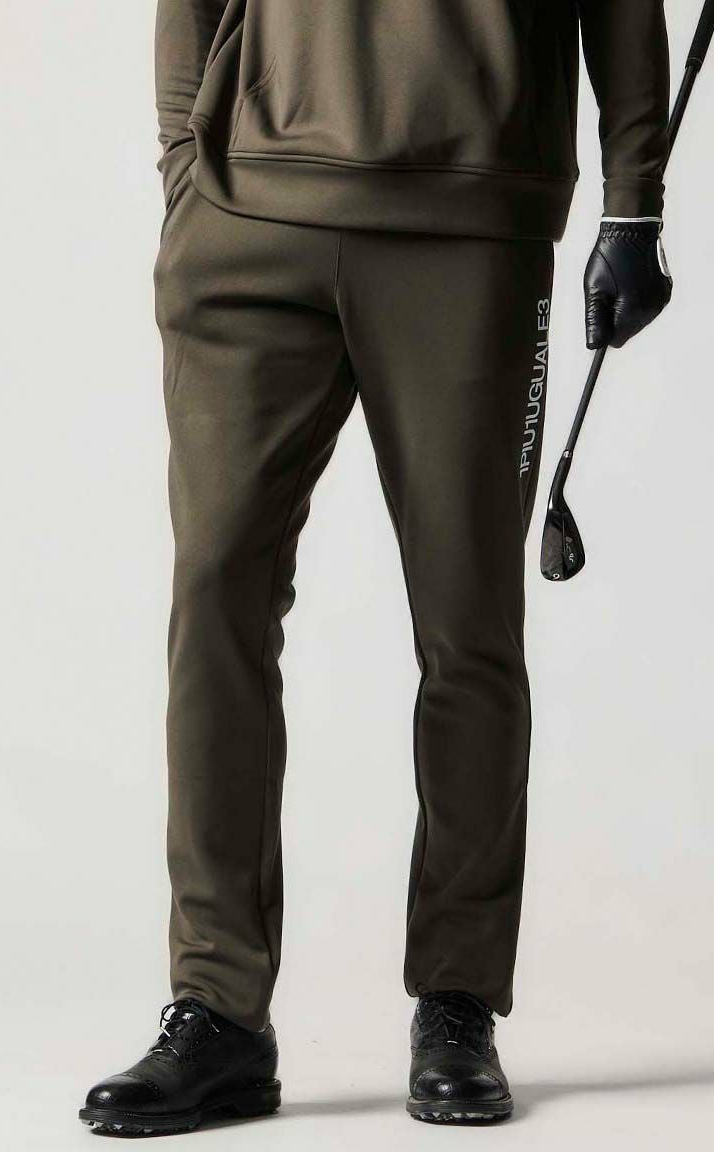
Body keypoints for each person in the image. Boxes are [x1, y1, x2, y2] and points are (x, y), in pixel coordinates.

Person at [80, 0, 672, 1133]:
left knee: (468, 625)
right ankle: (217, 1009)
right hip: (246, 213)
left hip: (471, 214)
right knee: (214, 601)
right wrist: (183, 168)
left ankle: (458, 1002)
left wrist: (633, 202)